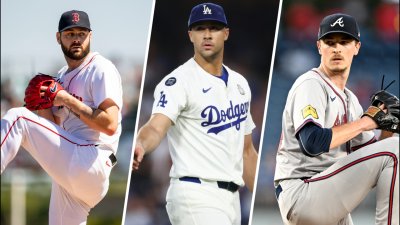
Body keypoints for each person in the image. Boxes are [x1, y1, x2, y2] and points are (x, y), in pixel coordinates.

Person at [132, 3, 258, 225]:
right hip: (195, 192)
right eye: (200, 28)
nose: (207, 34)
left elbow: (247, 152)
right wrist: (141, 144)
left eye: (214, 27)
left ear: (226, 33)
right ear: (191, 35)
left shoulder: (240, 83)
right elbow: (156, 125)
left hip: (232, 198)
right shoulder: (178, 81)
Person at [274, 13, 399, 225]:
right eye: (330, 42)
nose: (337, 48)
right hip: (304, 191)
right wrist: (368, 121)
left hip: (327, 193)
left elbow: (379, 160)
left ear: (357, 47)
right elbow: (312, 142)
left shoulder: (350, 100)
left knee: (393, 148)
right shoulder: (311, 84)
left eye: (344, 41)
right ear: (319, 47)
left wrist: (392, 124)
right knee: (396, 150)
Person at [1, 10, 123, 225]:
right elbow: (54, 131)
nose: (76, 39)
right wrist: (42, 106)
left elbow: (111, 124)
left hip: (92, 158)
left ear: (90, 36)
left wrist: (67, 99)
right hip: (73, 169)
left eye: (82, 33)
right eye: (70, 34)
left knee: (17, 118)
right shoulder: (61, 76)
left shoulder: (100, 68)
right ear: (59, 38)